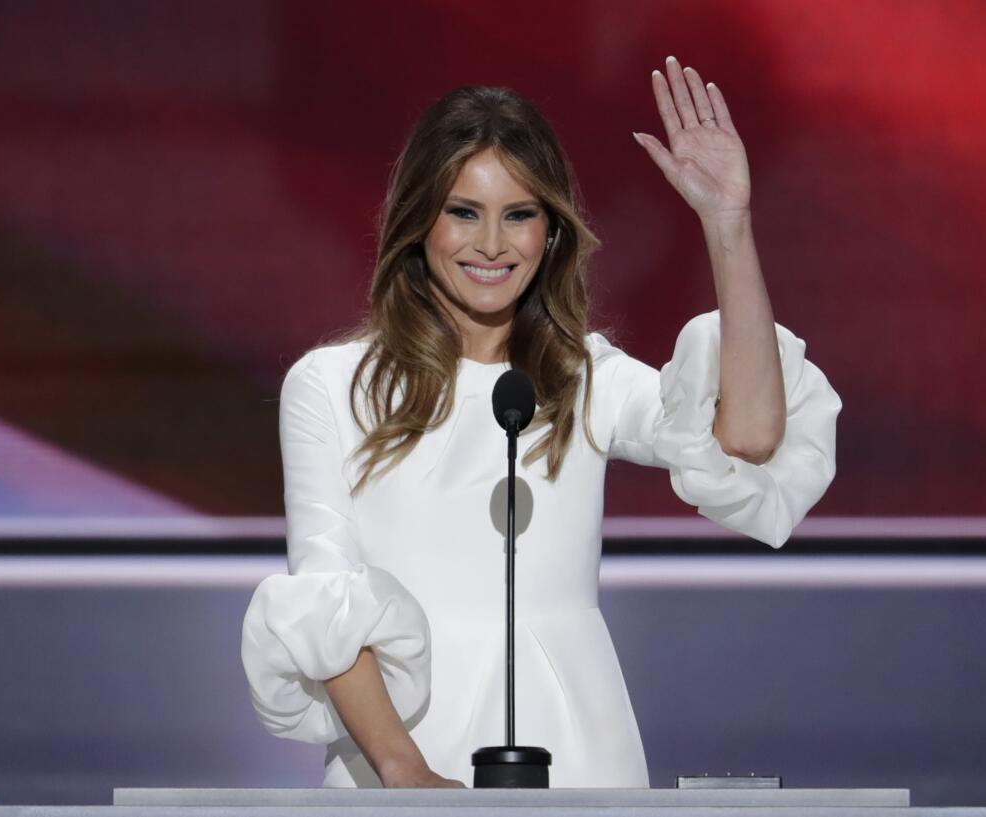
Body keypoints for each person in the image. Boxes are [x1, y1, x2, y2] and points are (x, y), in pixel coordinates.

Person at [240, 56, 841, 789]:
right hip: (400, 764)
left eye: (519, 214)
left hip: (579, 754)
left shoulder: (584, 379)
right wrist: (409, 775)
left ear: (550, 233)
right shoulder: (332, 388)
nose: (491, 244)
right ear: (418, 222)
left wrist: (727, 226)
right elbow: (323, 599)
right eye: (464, 211)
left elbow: (747, 437)